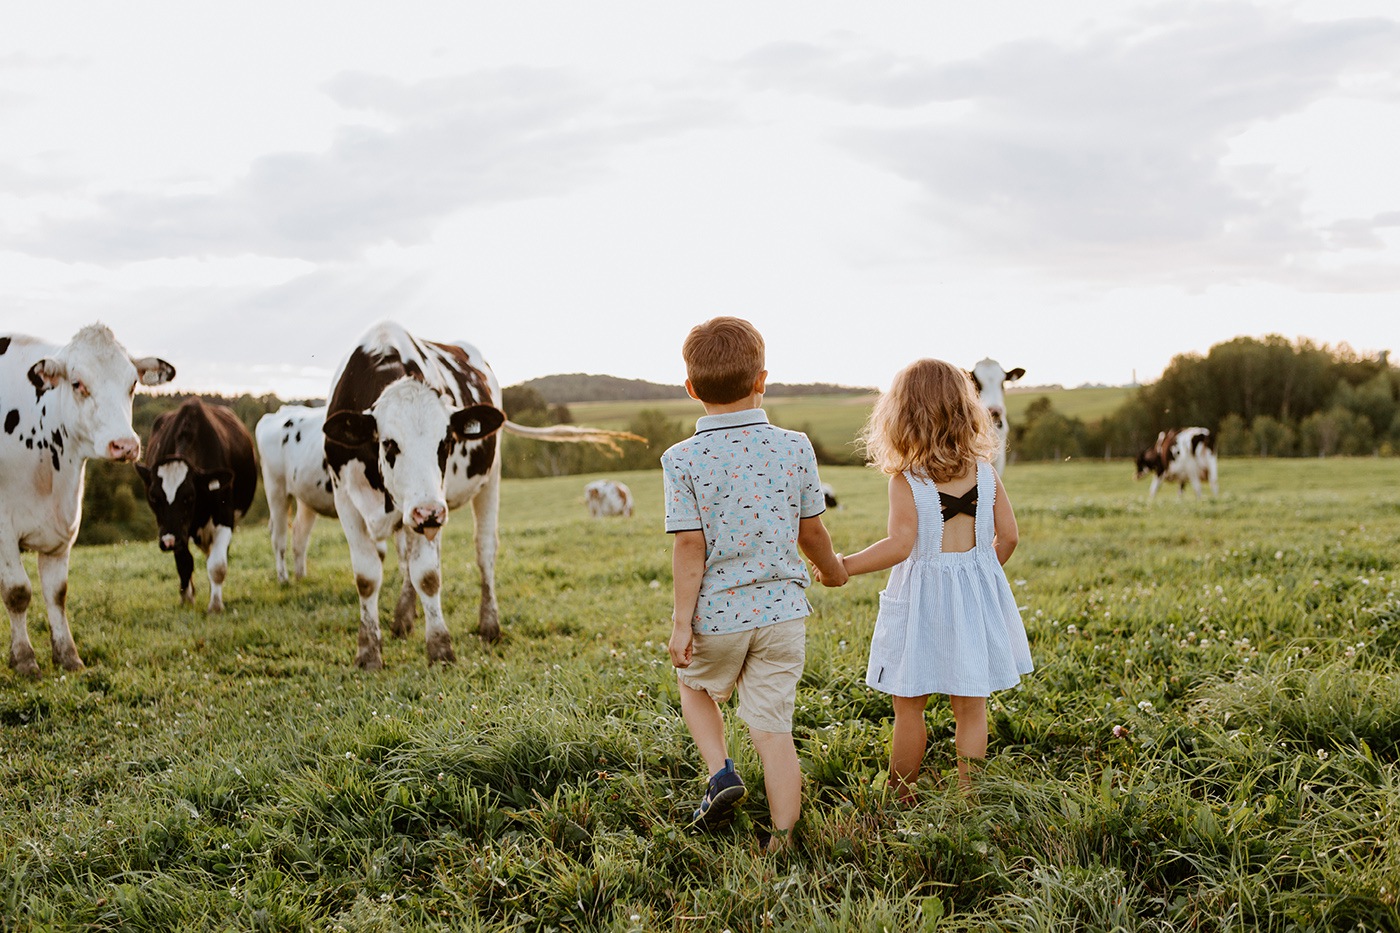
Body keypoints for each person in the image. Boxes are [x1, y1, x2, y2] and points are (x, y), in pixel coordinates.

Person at [662, 316, 848, 852]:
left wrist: (681, 625)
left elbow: (689, 548)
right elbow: (811, 530)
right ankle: (783, 840)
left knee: (695, 686)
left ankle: (721, 773)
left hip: (717, 617)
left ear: (692, 389)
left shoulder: (682, 459)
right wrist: (832, 568)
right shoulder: (795, 447)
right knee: (773, 732)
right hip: (783, 615)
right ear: (762, 379)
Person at [826, 358, 1033, 798]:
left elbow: (900, 545)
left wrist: (845, 566)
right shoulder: (986, 473)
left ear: (902, 417)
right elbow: (1010, 537)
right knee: (971, 709)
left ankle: (902, 795)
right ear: (967, 411)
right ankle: (966, 796)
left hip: (920, 601)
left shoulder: (906, 481)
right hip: (974, 598)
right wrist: (979, 573)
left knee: (909, 706)